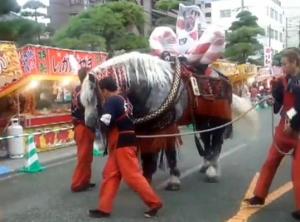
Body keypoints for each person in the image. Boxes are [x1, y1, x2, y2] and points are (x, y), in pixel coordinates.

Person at [88, 77, 162, 219]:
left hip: (122, 142)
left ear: (104, 90)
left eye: (101, 91)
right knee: (110, 174)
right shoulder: (124, 100)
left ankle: (155, 203)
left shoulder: (112, 100)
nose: (101, 94)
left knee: (132, 176)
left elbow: (105, 120)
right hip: (126, 140)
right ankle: (104, 208)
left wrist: (96, 129)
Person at [245, 49, 300, 220]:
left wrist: (293, 123)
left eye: (285, 64)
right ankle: (259, 195)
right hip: (284, 129)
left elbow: (297, 107)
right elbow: (279, 106)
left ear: (294, 62)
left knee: (298, 170)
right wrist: (275, 95)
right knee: (270, 161)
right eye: (282, 64)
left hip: (297, 130)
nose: (282, 68)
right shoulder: (284, 80)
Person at [70, 67, 96, 192]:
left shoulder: (76, 89)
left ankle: (85, 180)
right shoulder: (85, 92)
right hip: (83, 126)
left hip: (81, 126)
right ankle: (77, 183)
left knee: (87, 156)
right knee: (84, 156)